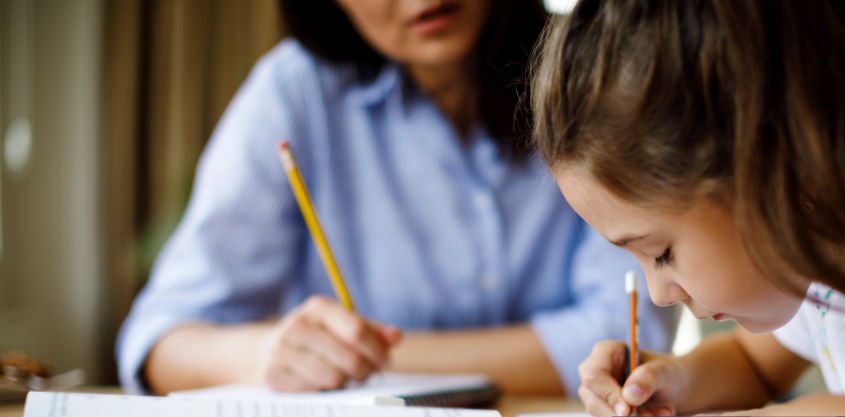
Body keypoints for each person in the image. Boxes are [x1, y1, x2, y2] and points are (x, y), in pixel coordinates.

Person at [116, 0, 674, 396]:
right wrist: (264, 354)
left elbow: (629, 338)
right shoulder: (295, 95)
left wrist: (370, 360)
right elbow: (157, 342)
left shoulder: (594, 70)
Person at [531, 0, 845, 417]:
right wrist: (671, 382)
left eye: (660, 253)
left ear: (779, 165)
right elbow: (752, 364)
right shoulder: (825, 263)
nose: (658, 295)